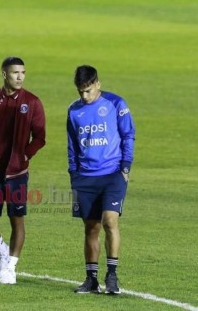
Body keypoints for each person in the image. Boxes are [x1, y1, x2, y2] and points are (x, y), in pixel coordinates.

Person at [0, 56, 46, 284]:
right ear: (4, 74)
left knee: (17, 220)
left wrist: (25, 155)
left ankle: (11, 267)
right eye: (15, 73)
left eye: (23, 72)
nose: (20, 77)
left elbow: (40, 137)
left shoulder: (32, 102)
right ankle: (2, 250)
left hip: (16, 174)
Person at [66, 65, 136, 295]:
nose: (85, 96)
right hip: (85, 177)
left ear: (98, 84)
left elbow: (128, 134)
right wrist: (73, 174)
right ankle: (91, 280)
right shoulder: (74, 111)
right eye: (80, 92)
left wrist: (125, 167)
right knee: (91, 228)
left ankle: (112, 275)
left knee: (110, 221)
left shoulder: (116, 104)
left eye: (88, 90)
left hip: (113, 173)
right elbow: (72, 146)